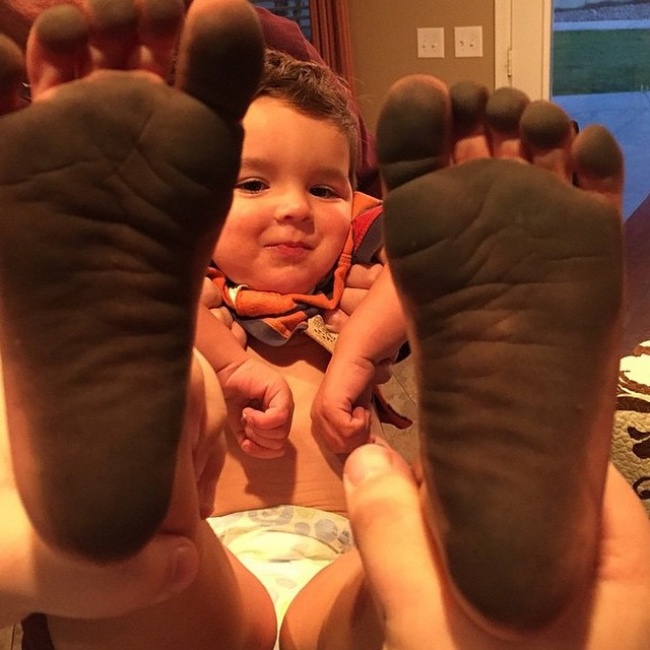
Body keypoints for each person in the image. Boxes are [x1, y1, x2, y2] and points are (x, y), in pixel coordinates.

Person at [0, 2, 649, 650]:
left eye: (324, 190)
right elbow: (150, 305)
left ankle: (498, 534)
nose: (295, 208)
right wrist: (225, 359)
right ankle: (114, 502)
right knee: (152, 523)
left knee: (392, 568)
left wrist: (356, 352)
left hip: (346, 548)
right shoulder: (177, 290)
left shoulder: (353, 277)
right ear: (186, 203)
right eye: (252, 184)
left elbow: (424, 263)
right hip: (208, 545)